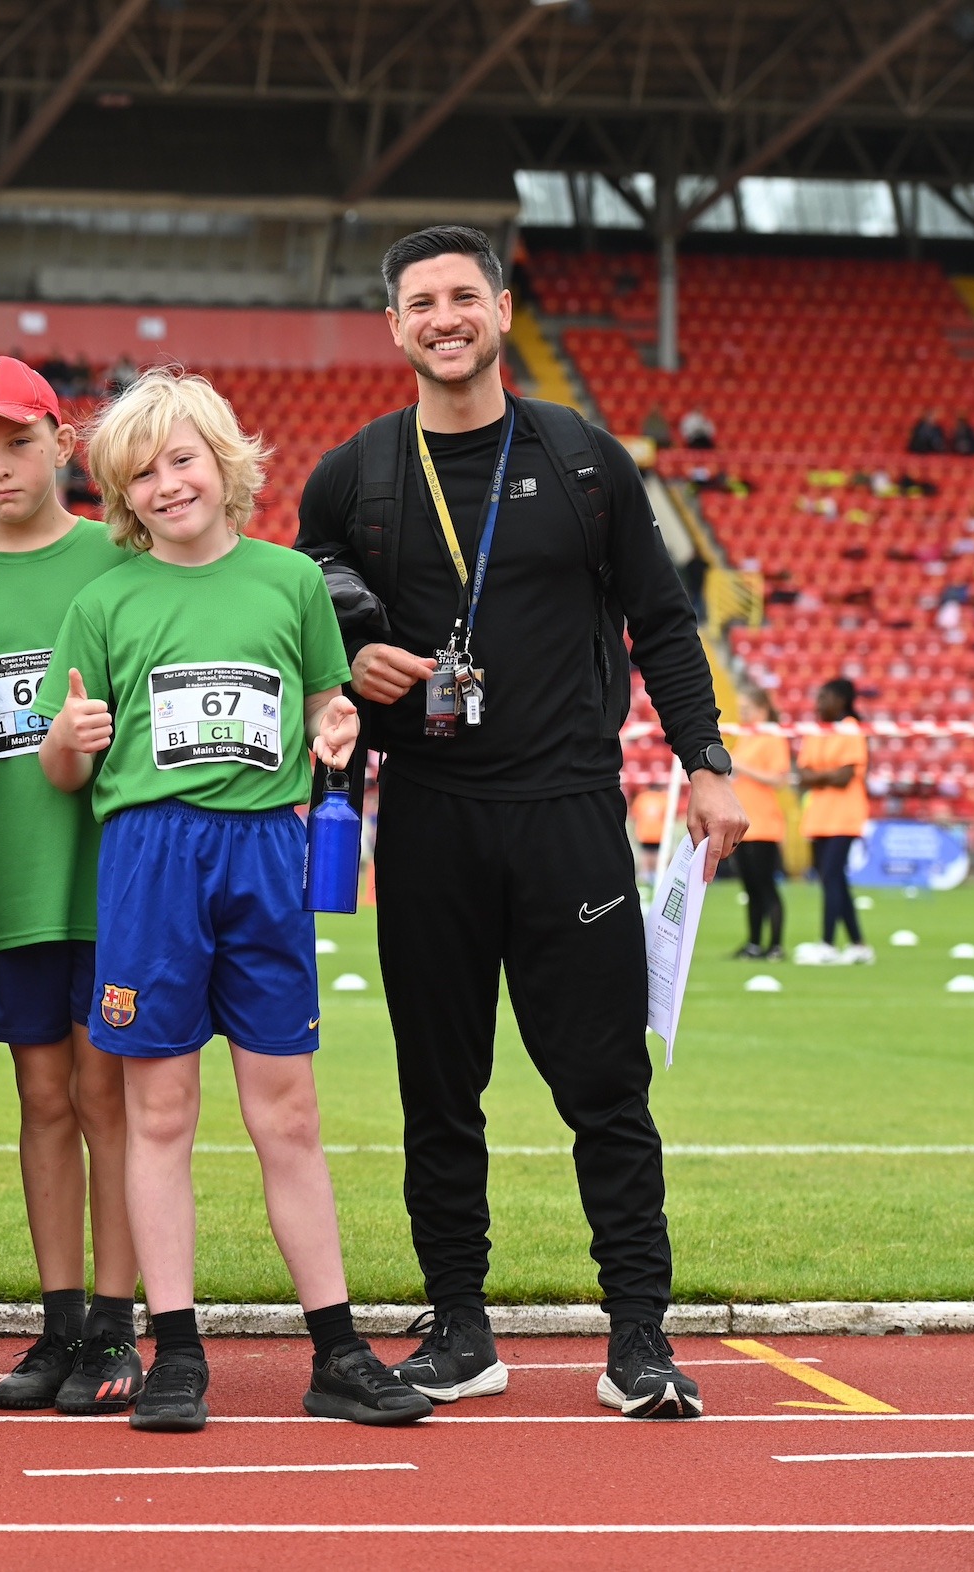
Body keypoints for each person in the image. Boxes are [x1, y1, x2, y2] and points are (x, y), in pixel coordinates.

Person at [294, 226, 745, 1421]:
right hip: (430, 818)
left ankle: (638, 1339)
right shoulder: (351, 475)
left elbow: (660, 621)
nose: (443, 318)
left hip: (566, 816)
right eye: (418, 302)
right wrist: (348, 655)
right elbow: (301, 616)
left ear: (499, 307)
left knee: (605, 1088)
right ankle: (458, 1329)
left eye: (462, 296)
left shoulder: (585, 458)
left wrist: (706, 762)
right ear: (393, 327)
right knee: (439, 1091)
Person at [35, 370, 429, 1434]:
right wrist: (65, 750)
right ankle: (175, 1350)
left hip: (263, 853)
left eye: (181, 459)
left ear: (223, 462)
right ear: (117, 494)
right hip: (151, 859)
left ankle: (338, 1349)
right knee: (158, 1112)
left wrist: (332, 726)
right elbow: (64, 766)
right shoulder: (104, 600)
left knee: (286, 1115)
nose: (166, 485)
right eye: (140, 472)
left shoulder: (288, 583)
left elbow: (320, 703)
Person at [0, 355, 140, 1414]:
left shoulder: (118, 559)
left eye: (16, 443)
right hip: (1, 886)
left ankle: (116, 1323)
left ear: (62, 440)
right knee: (40, 1097)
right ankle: (57, 1327)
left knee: (109, 1096)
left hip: (107, 880)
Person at [793, 678, 872, 966]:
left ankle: (827, 943)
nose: (818, 704)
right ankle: (859, 945)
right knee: (834, 879)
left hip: (845, 816)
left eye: (823, 698)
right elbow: (802, 775)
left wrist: (819, 775)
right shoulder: (816, 731)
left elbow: (845, 777)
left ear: (841, 701)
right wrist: (826, 774)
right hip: (818, 818)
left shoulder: (851, 729)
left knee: (830, 877)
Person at [727, 686, 791, 961]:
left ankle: (775, 945)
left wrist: (740, 766)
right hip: (744, 822)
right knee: (751, 888)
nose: (743, 715)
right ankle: (754, 943)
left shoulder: (772, 737)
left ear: (762, 709)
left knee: (765, 886)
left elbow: (779, 778)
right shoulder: (746, 736)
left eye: (747, 709)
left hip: (764, 823)